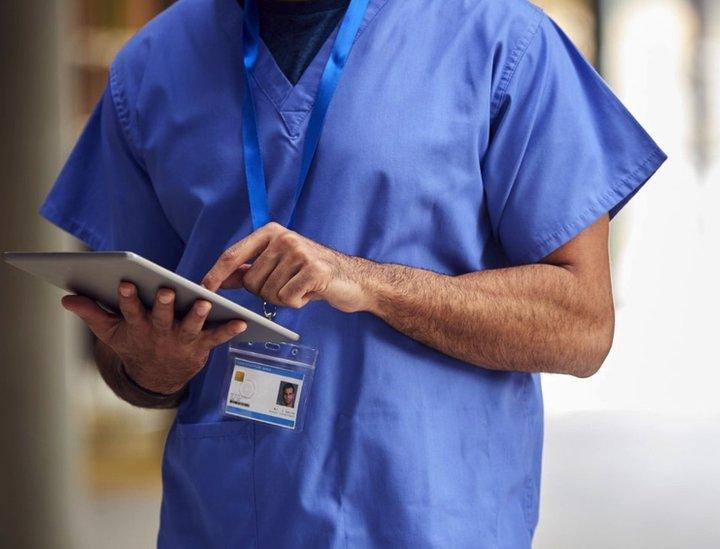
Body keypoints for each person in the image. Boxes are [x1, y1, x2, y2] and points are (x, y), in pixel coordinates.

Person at [43, 0, 666, 546]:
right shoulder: (151, 66)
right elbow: (127, 357)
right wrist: (155, 367)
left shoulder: (502, 41)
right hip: (228, 522)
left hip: (430, 521)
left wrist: (368, 283)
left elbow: (582, 325)